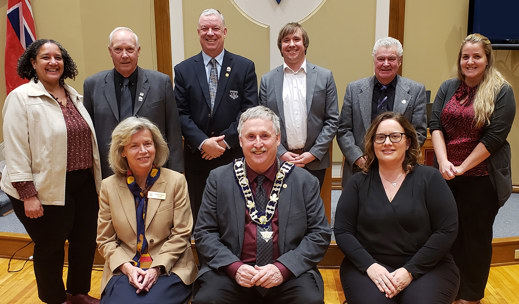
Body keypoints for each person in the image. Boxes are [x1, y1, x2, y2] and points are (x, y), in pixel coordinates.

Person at [192, 106, 331, 304]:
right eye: (250, 137)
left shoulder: (304, 181)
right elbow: (204, 233)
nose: (258, 144)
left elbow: (319, 234)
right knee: (207, 300)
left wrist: (281, 269)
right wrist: (235, 268)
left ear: (277, 139)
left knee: (309, 300)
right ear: (240, 141)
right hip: (232, 272)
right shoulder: (218, 179)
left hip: (287, 274)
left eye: (265, 135)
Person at [1, 39, 102, 304]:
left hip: (82, 184)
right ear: (33, 63)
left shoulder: (72, 94)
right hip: (43, 188)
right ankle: (55, 298)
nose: (53, 62)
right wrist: (28, 194)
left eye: (58, 57)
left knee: (84, 242)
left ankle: (79, 292)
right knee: (51, 246)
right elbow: (15, 149)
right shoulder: (20, 98)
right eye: (45, 57)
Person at [334, 112, 460, 304]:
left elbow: (447, 230)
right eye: (380, 137)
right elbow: (343, 231)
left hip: (428, 265)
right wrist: (370, 266)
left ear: (408, 142)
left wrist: (410, 271)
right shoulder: (357, 183)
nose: (387, 143)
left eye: (395, 136)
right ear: (372, 143)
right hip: (369, 267)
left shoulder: (431, 178)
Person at [429, 33, 516, 304]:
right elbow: (435, 125)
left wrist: (463, 167)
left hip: (481, 177)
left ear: (487, 59)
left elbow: (494, 138)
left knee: (475, 238)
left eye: (476, 56)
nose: (470, 61)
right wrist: (443, 162)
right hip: (446, 175)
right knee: (447, 234)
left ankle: (471, 294)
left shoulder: (502, 91)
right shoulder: (448, 87)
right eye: (465, 56)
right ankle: (450, 288)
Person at [96, 117, 197, 304]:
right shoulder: (108, 187)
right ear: (122, 151)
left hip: (169, 266)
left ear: (156, 147)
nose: (143, 151)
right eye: (134, 146)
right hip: (125, 267)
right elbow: (105, 240)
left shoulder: (176, 182)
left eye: (148, 144)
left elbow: (182, 234)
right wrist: (128, 268)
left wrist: (155, 269)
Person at [174, 8, 258, 223]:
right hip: (197, 159)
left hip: (233, 158)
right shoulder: (183, 70)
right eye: (205, 28)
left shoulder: (244, 67)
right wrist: (203, 142)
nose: (210, 33)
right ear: (198, 32)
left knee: (235, 218)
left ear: (225, 31)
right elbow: (180, 113)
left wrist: (223, 143)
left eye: (215, 28)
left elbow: (249, 112)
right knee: (202, 220)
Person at [84, 27, 184, 178]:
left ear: (138, 51)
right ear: (110, 51)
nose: (124, 55)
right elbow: (88, 136)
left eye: (130, 49)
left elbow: (173, 130)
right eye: (118, 49)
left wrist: (177, 172)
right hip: (110, 174)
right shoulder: (92, 85)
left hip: (154, 171)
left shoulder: (161, 82)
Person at [337, 37, 427, 189]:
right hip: (360, 169)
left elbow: (419, 132)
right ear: (374, 60)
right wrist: (358, 158)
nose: (385, 63)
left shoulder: (416, 91)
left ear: (399, 61)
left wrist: (398, 158)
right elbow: (343, 129)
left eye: (391, 59)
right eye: (381, 59)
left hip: (400, 170)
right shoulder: (354, 89)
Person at [259, 22, 339, 188]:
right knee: (279, 211)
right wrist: (281, 152)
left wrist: (313, 153)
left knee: (311, 210)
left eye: (296, 39)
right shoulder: (267, 80)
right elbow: (264, 122)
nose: (291, 44)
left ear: (305, 45)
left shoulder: (324, 76)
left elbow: (332, 120)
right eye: (286, 40)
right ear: (280, 47)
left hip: (314, 161)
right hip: (279, 160)